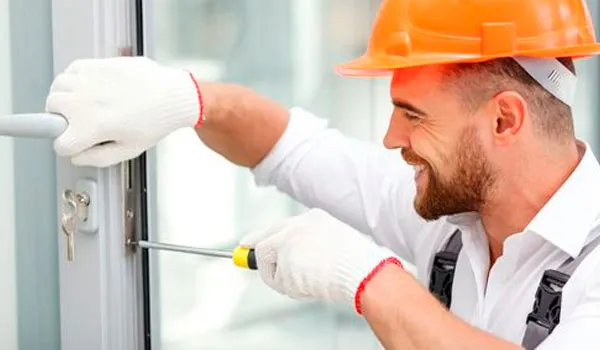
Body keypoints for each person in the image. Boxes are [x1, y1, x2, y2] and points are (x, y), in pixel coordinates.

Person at [45, 0, 600, 349]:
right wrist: (187, 100)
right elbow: (291, 146)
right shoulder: (453, 215)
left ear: (504, 119)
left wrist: (372, 281)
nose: (391, 138)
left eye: (414, 115)